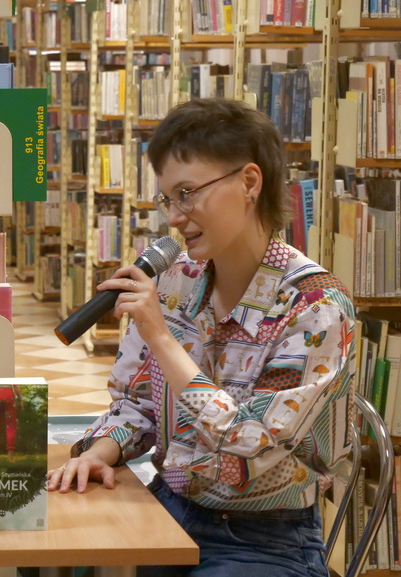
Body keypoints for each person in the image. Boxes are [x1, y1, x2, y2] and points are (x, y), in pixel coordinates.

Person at [46, 98, 354, 577]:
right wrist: (101, 453)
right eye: (168, 199)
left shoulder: (315, 307)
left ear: (249, 182)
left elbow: (252, 440)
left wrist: (161, 339)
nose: (173, 217)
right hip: (170, 508)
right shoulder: (176, 282)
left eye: (187, 193)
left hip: (264, 541)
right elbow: (138, 405)